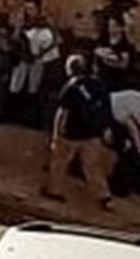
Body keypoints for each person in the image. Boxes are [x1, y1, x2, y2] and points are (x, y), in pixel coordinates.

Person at [43, 55, 113, 210]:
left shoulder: (70, 87)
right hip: (93, 133)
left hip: (72, 134)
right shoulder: (98, 84)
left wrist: (56, 134)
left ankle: (54, 191)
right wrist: (105, 128)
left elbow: (62, 112)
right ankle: (104, 196)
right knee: (93, 167)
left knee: (60, 162)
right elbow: (106, 108)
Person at [0, 0, 60, 127]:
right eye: (26, 8)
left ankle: (31, 119)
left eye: (31, 9)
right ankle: (9, 114)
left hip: (37, 58)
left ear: (38, 8)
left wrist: (40, 53)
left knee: (33, 87)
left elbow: (55, 40)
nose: (29, 12)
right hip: (22, 57)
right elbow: (15, 38)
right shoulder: (22, 21)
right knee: (15, 84)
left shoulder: (46, 23)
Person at [93, 16, 136, 90]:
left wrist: (107, 60)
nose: (111, 28)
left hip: (118, 80)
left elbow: (124, 64)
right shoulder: (104, 39)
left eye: (114, 26)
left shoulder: (125, 44)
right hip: (102, 79)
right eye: (110, 25)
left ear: (120, 28)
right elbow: (97, 52)